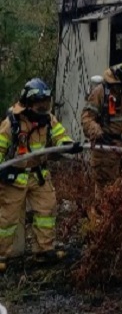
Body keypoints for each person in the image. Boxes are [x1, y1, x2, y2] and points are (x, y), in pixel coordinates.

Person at [0, 78, 82, 270]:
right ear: (28, 104)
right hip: (14, 178)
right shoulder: (11, 123)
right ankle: (1, 255)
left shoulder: (48, 119)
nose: (44, 108)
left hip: (38, 175)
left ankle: (43, 251)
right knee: (7, 219)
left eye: (46, 104)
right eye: (40, 104)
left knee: (47, 210)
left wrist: (68, 145)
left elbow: (61, 136)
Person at [81, 58, 122, 189]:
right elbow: (87, 118)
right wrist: (98, 133)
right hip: (105, 152)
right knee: (105, 197)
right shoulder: (102, 92)